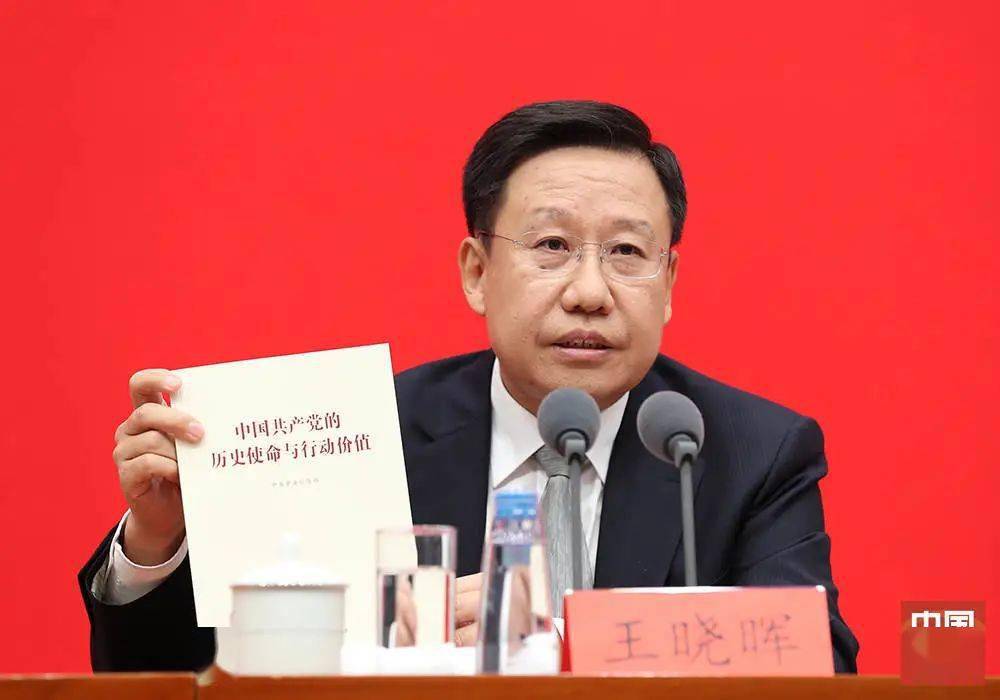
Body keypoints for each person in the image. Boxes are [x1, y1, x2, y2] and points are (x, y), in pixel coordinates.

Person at [78, 100, 859, 672]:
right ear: (477, 272)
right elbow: (187, 678)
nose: (590, 292)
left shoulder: (743, 452)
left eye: (626, 252)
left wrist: (563, 643)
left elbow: (819, 664)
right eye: (552, 245)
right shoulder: (368, 436)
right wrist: (157, 544)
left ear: (669, 282)